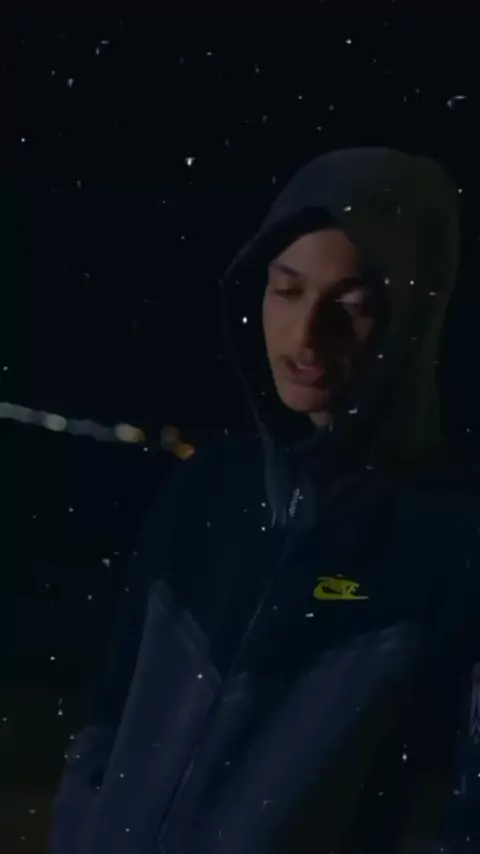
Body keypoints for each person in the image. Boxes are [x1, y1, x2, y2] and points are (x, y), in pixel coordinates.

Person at [49, 148, 480, 854]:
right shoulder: (206, 488)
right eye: (286, 290)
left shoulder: (453, 541)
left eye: (353, 307)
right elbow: (108, 717)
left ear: (412, 318)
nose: (306, 336)